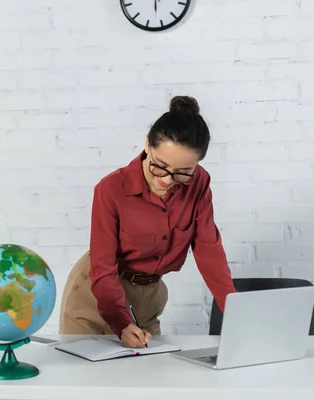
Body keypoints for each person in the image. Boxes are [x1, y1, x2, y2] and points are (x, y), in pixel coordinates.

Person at [59, 95, 236, 348]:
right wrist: (121, 323)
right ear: (147, 146)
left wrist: (234, 312)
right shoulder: (111, 189)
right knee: (87, 380)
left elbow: (209, 251)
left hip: (149, 298)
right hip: (96, 294)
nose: (166, 180)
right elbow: (103, 267)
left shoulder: (198, 183)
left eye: (182, 173)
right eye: (159, 167)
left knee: (150, 378)